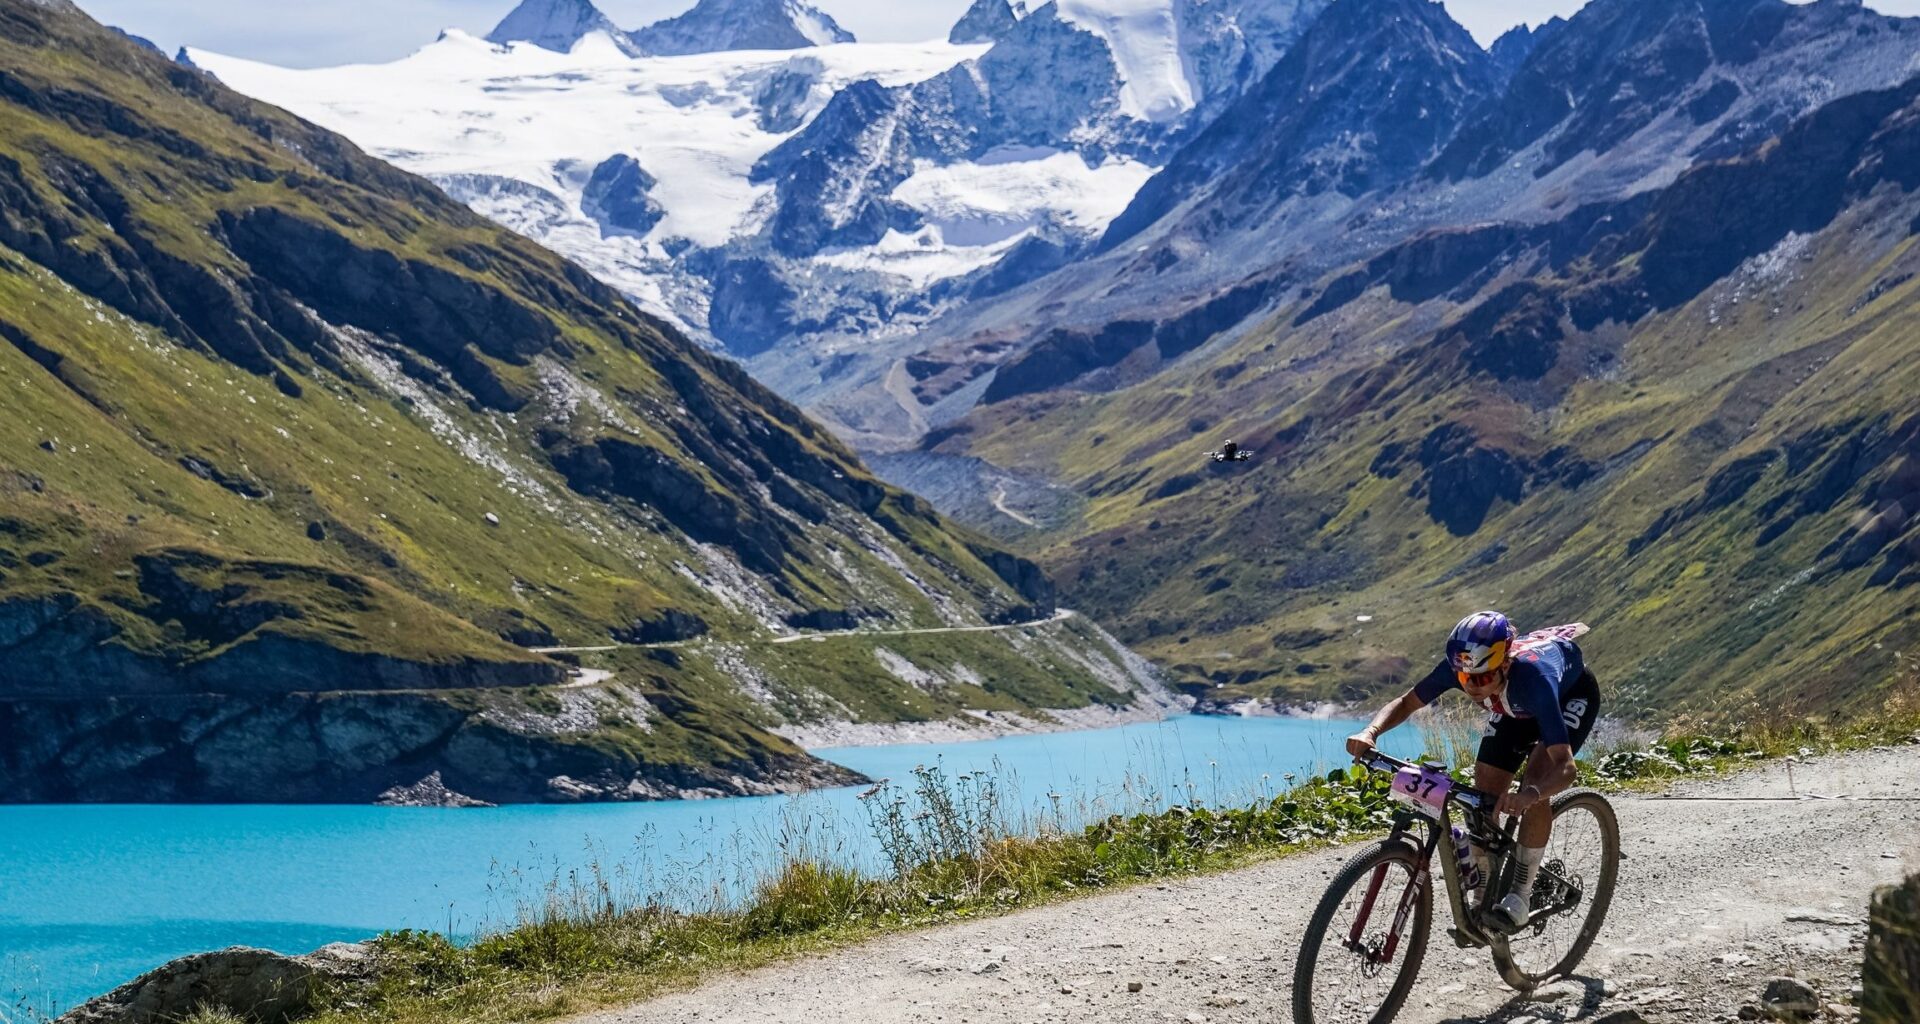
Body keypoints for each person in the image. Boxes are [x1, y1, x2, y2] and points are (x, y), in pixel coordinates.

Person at [1345, 612, 1600, 932]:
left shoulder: (1533, 680)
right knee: (1485, 788)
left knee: (1536, 784)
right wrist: (1371, 732)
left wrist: (1529, 796)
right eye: (1465, 680)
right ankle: (1484, 890)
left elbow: (1565, 768)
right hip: (1513, 705)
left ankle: (1520, 896)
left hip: (1565, 698)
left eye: (1480, 679)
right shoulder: (1465, 667)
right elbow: (1407, 702)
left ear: (1504, 665)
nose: (1472, 687)